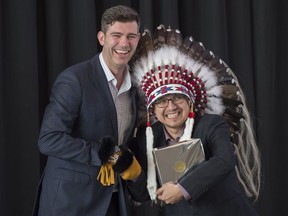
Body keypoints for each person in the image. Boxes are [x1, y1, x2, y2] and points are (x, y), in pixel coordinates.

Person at [126, 25, 261, 216]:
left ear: (190, 103)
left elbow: (224, 160)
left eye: (178, 99)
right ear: (153, 110)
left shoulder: (211, 124)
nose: (171, 107)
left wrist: (182, 188)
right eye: (162, 101)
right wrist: (131, 171)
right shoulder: (146, 137)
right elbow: (142, 195)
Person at [33, 5, 142, 216]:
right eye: (116, 35)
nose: (124, 43)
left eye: (131, 36)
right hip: (70, 202)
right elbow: (49, 138)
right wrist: (103, 155)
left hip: (113, 199)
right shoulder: (74, 79)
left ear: (137, 39)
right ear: (102, 38)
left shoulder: (136, 87)